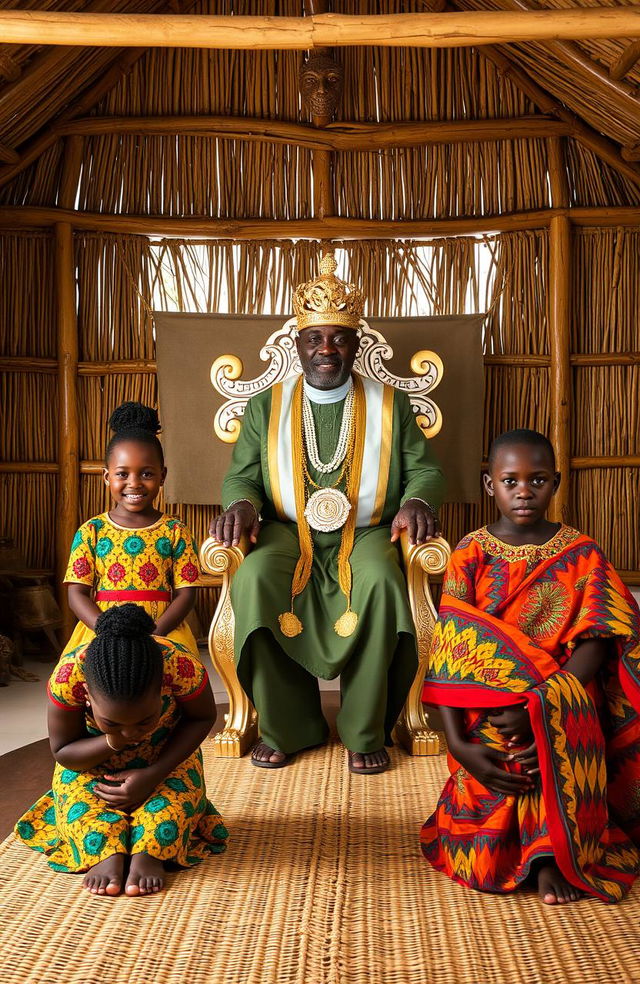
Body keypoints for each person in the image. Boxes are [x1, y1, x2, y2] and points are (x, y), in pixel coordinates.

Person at [211, 254, 445, 774]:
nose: (326, 349)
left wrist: (416, 502)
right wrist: (242, 504)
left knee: (385, 580)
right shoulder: (267, 405)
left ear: (355, 346)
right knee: (251, 579)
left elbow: (423, 470)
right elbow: (241, 475)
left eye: (337, 339)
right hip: (286, 533)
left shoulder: (391, 403)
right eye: (314, 338)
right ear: (297, 345)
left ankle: (365, 730)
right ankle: (286, 725)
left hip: (365, 532)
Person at [420, 428, 640, 904]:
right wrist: (458, 743)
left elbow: (599, 642)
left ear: (556, 482)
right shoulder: (470, 553)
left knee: (545, 739)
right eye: (510, 480)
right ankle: (512, 845)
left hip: (562, 695)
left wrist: (542, 702)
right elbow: (452, 653)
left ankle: (548, 858)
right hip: (486, 706)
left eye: (538, 479)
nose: (524, 491)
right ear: (489, 485)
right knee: (501, 757)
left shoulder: (582, 554)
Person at [14, 604, 228, 896]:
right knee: (85, 818)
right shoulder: (68, 678)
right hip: (90, 767)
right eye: (112, 722)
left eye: (145, 720)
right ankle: (106, 854)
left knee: (166, 817)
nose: (130, 733)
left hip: (166, 761)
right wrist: (112, 741)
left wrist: (153, 774)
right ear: (87, 695)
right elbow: (64, 750)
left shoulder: (179, 665)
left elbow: (202, 717)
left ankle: (149, 855)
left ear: (162, 687)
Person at [63, 401, 202, 662]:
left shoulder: (175, 530)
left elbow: (186, 594)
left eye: (147, 473)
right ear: (107, 477)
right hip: (101, 631)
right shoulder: (91, 531)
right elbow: (76, 594)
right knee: (65, 680)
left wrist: (153, 635)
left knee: (188, 674)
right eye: (122, 474)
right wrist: (106, 631)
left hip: (162, 631)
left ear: (163, 476)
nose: (134, 483)